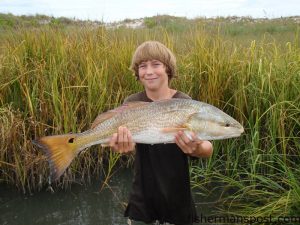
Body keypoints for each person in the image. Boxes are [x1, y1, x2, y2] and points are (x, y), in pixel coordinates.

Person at [109, 41, 213, 225]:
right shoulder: (132, 102)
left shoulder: (183, 102)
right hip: (142, 199)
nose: (149, 71)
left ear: (168, 69)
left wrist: (196, 148)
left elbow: (207, 149)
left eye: (156, 64)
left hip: (178, 199)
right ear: (137, 73)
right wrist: (123, 146)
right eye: (143, 66)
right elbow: (124, 143)